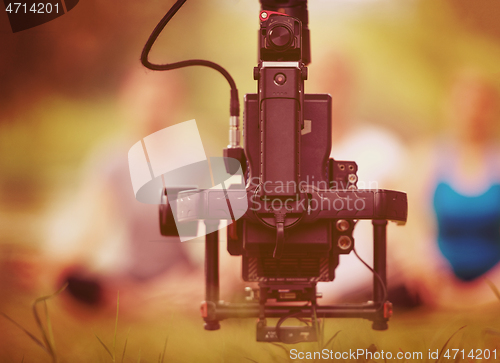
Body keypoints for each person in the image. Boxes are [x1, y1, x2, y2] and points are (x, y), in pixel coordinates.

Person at [397, 68, 500, 308]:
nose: (472, 112)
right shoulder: (425, 159)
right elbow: (409, 226)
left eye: (481, 105)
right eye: (464, 103)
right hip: (435, 286)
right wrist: (429, 272)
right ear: (449, 106)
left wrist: (487, 295)